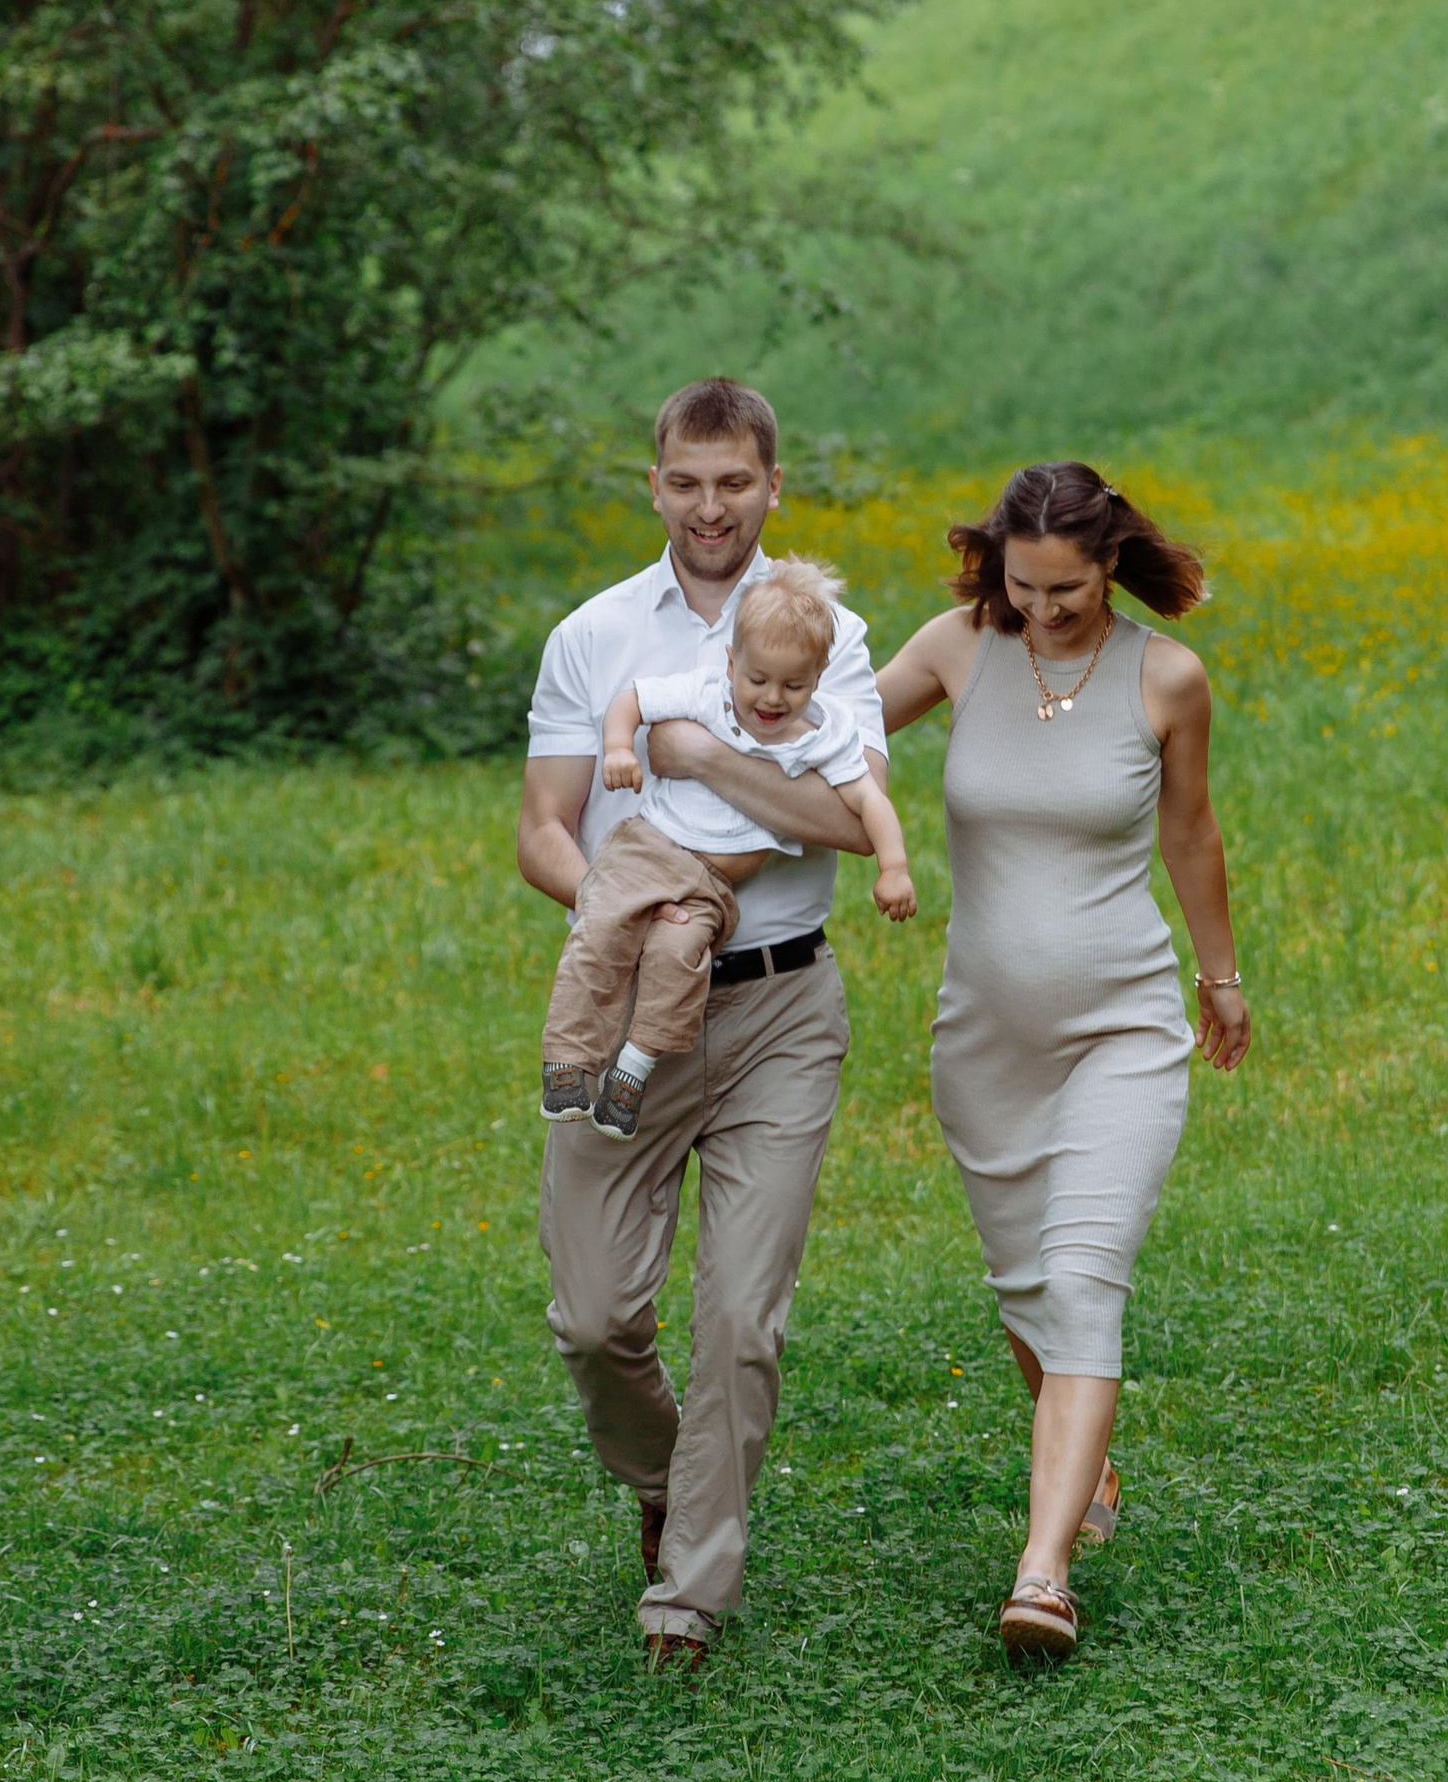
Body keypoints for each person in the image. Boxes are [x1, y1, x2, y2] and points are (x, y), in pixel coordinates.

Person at [518, 381, 893, 1670]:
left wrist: (694, 757)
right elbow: (541, 834)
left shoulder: (824, 635)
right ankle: (662, 1483)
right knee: (594, 1321)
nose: (709, 507)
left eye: (734, 482)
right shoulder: (593, 637)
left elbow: (855, 819)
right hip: (635, 998)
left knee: (740, 1318)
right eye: (686, 481)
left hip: (786, 1005)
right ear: (654, 484)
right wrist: (642, 902)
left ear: (772, 486)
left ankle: (690, 1592)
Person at [876, 459, 1250, 1661]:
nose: (1042, 612)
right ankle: (1084, 1465)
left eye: (1067, 592)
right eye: (1021, 587)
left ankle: (1042, 1574)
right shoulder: (950, 648)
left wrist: (1221, 975)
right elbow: (818, 736)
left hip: (1121, 1025)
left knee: (1084, 1281)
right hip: (983, 1036)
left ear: (1109, 567)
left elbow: (1190, 832)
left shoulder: (1166, 677)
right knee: (1026, 1290)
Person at [539, 557, 915, 1139]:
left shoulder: (824, 733)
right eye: (758, 679)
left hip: (712, 888)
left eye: (794, 685)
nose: (772, 699)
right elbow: (632, 700)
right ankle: (568, 1062)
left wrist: (894, 867)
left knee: (677, 962)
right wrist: (618, 747)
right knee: (604, 932)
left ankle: (631, 1075)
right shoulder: (707, 695)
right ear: (732, 663)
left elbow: (869, 803)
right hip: (649, 852)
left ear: (818, 678)